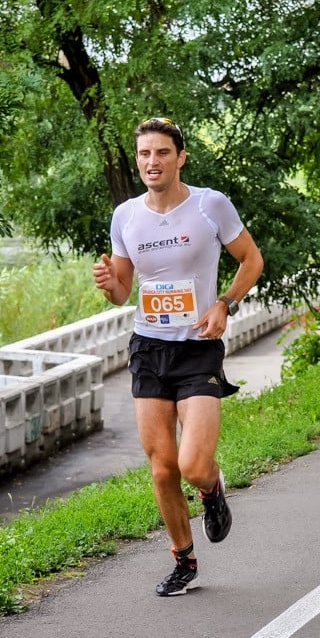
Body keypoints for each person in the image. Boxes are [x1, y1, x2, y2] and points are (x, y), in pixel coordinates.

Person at [93, 117, 263, 596]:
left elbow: (252, 259)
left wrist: (224, 303)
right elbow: (124, 290)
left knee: (192, 465)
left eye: (162, 153)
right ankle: (183, 561)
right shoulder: (126, 215)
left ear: (180, 157)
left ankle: (211, 490)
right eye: (145, 154)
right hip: (149, 348)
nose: (152, 162)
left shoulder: (210, 205)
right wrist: (110, 286)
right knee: (163, 466)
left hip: (198, 349)